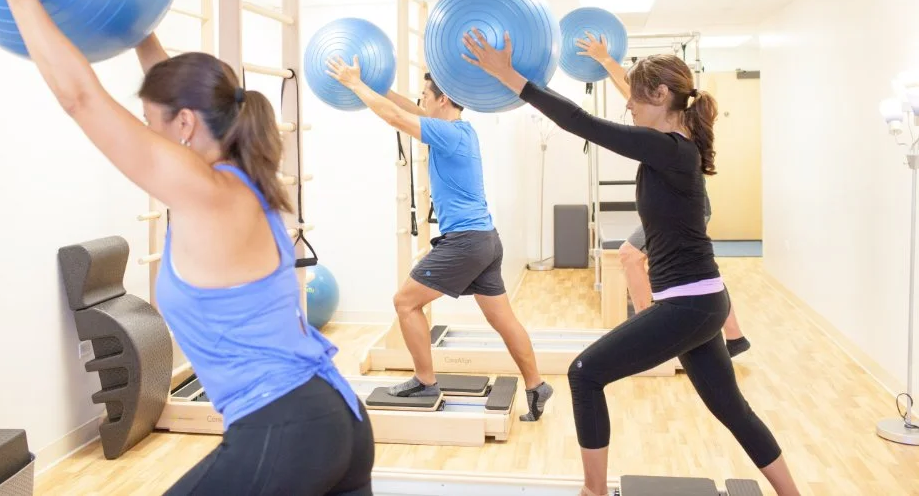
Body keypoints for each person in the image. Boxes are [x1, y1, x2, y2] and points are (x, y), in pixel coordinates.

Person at [0, 0, 374, 495]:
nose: (145, 135)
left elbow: (82, 98)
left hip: (284, 427)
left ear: (185, 125)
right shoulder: (241, 179)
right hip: (335, 418)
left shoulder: (206, 194)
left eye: (149, 123)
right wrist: (134, 23)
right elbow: (168, 85)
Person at [462, 30, 800, 496]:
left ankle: (593, 491)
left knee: (585, 374)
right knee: (732, 408)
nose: (628, 106)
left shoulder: (671, 150)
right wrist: (609, 64)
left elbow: (582, 123)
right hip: (704, 302)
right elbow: (630, 103)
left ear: (661, 96)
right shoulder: (673, 143)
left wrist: (510, 77)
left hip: (689, 306)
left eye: (637, 99)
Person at [326, 56, 553, 421]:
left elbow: (397, 118)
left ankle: (425, 380)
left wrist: (354, 85)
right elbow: (406, 108)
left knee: (405, 302)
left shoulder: (447, 134)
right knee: (504, 320)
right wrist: (376, 84)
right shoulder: (461, 129)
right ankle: (536, 385)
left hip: (464, 241)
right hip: (485, 239)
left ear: (442, 100)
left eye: (425, 96)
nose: (421, 102)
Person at [577, 34, 751, 358]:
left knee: (629, 255)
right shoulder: (672, 119)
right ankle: (736, 336)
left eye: (643, 93)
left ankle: (650, 332)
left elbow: (631, 91)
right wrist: (603, 59)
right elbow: (631, 91)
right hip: (690, 206)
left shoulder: (676, 125)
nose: (631, 103)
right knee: (700, 272)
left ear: (662, 94)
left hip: (689, 207)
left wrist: (605, 59)